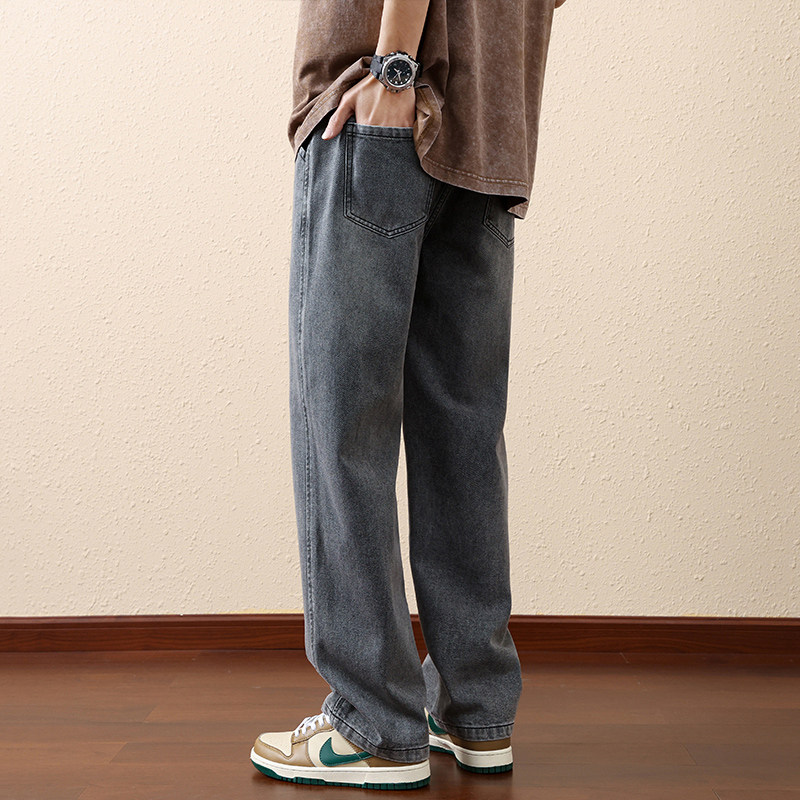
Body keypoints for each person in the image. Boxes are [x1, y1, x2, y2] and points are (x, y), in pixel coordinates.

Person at [250, 0, 566, 790]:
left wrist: (394, 67)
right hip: (492, 127)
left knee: (344, 424)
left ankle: (374, 723)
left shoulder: (390, 83)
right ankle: (473, 708)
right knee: (463, 433)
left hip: (384, 109)